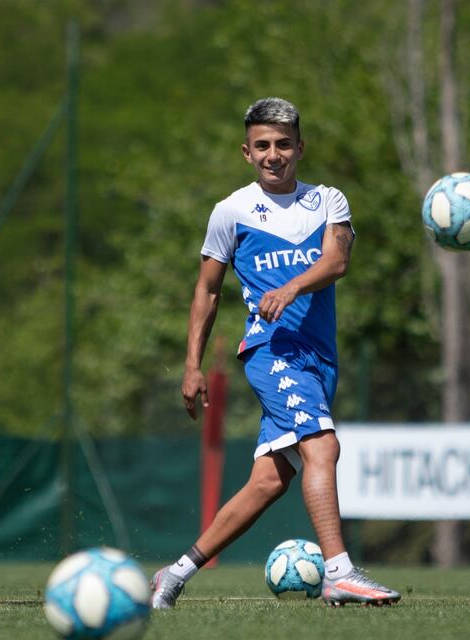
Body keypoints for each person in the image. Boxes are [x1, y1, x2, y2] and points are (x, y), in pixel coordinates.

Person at [149, 98, 400, 608]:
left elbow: (337, 261)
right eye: (262, 145)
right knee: (323, 447)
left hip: (319, 358)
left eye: (283, 144)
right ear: (246, 152)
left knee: (268, 482)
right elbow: (207, 290)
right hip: (270, 350)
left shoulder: (329, 200)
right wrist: (192, 365)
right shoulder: (230, 211)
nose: (273, 154)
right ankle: (339, 572)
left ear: (300, 148)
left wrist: (291, 288)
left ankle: (172, 576)